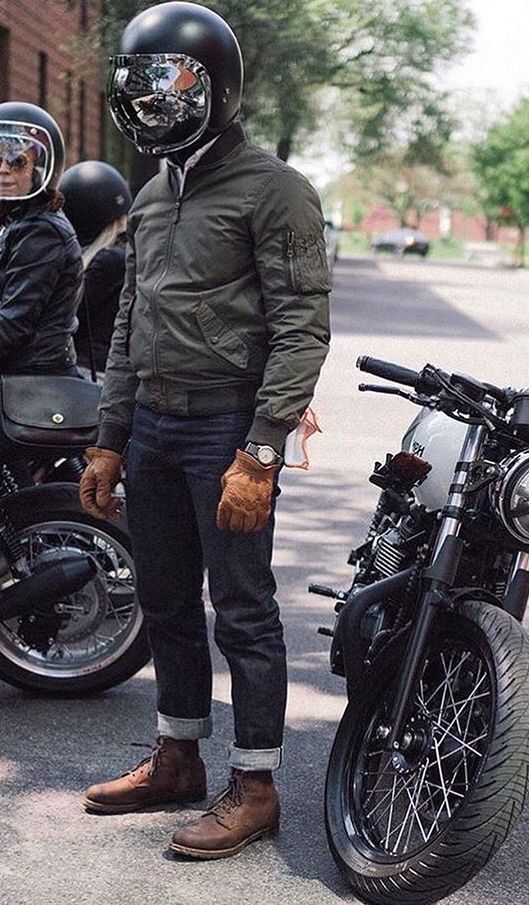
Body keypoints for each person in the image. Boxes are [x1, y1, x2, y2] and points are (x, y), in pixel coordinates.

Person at [78, 1, 331, 861]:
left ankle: (255, 784)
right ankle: (178, 757)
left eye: (174, 81)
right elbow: (125, 325)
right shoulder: (152, 195)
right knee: (165, 603)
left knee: (245, 611)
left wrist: (260, 451)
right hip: (150, 427)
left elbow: (302, 326)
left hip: (226, 429)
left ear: (215, 86)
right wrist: (110, 436)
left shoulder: (276, 189)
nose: (155, 100)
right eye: (142, 82)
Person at [0, 102, 82, 376]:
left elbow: (13, 324)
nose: (3, 169)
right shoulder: (15, 220)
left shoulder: (42, 230)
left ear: (40, 169)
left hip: (33, 381)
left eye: (16, 161)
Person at [59, 161, 132, 378]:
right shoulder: (115, 258)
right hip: (94, 371)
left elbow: (66, 315)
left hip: (92, 373)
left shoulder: (109, 261)